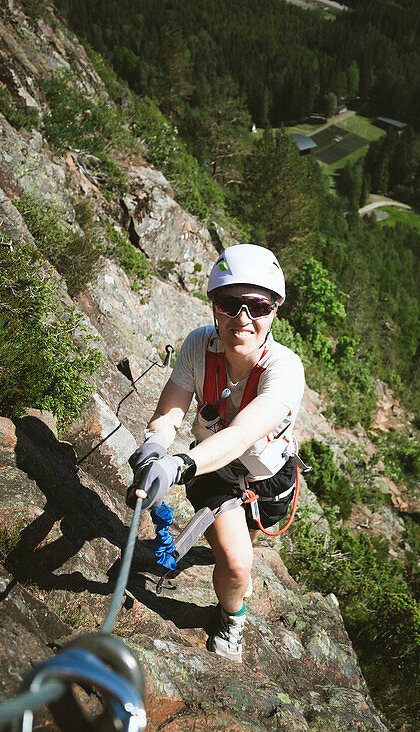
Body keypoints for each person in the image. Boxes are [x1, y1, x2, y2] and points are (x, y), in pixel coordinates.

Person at [128, 244, 305, 663]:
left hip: (268, 481)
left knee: (244, 544)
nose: (242, 318)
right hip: (214, 472)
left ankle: (230, 553)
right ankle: (232, 616)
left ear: (274, 311)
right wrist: (156, 446)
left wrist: (178, 464)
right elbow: (170, 411)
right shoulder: (197, 347)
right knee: (239, 566)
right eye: (230, 304)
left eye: (257, 306)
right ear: (214, 307)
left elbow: (243, 434)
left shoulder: (285, 369)